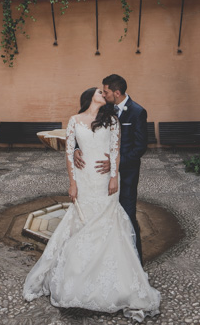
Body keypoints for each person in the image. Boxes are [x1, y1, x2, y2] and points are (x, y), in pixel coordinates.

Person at [23, 87, 160, 322]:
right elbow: (68, 153)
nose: (103, 93)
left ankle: (113, 282)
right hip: (84, 180)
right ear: (89, 97)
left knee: (108, 224)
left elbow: (115, 151)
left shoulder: (112, 120)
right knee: (81, 223)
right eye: (99, 91)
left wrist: (114, 176)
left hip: (104, 180)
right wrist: (73, 183)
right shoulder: (75, 120)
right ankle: (78, 279)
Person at [74, 74, 148, 262]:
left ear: (116, 92)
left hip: (127, 174)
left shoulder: (138, 112)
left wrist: (115, 163)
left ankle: (135, 261)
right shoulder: (104, 108)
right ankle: (105, 258)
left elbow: (140, 147)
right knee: (104, 215)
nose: (103, 94)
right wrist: (76, 148)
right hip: (101, 176)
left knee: (127, 215)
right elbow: (86, 127)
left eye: (106, 91)